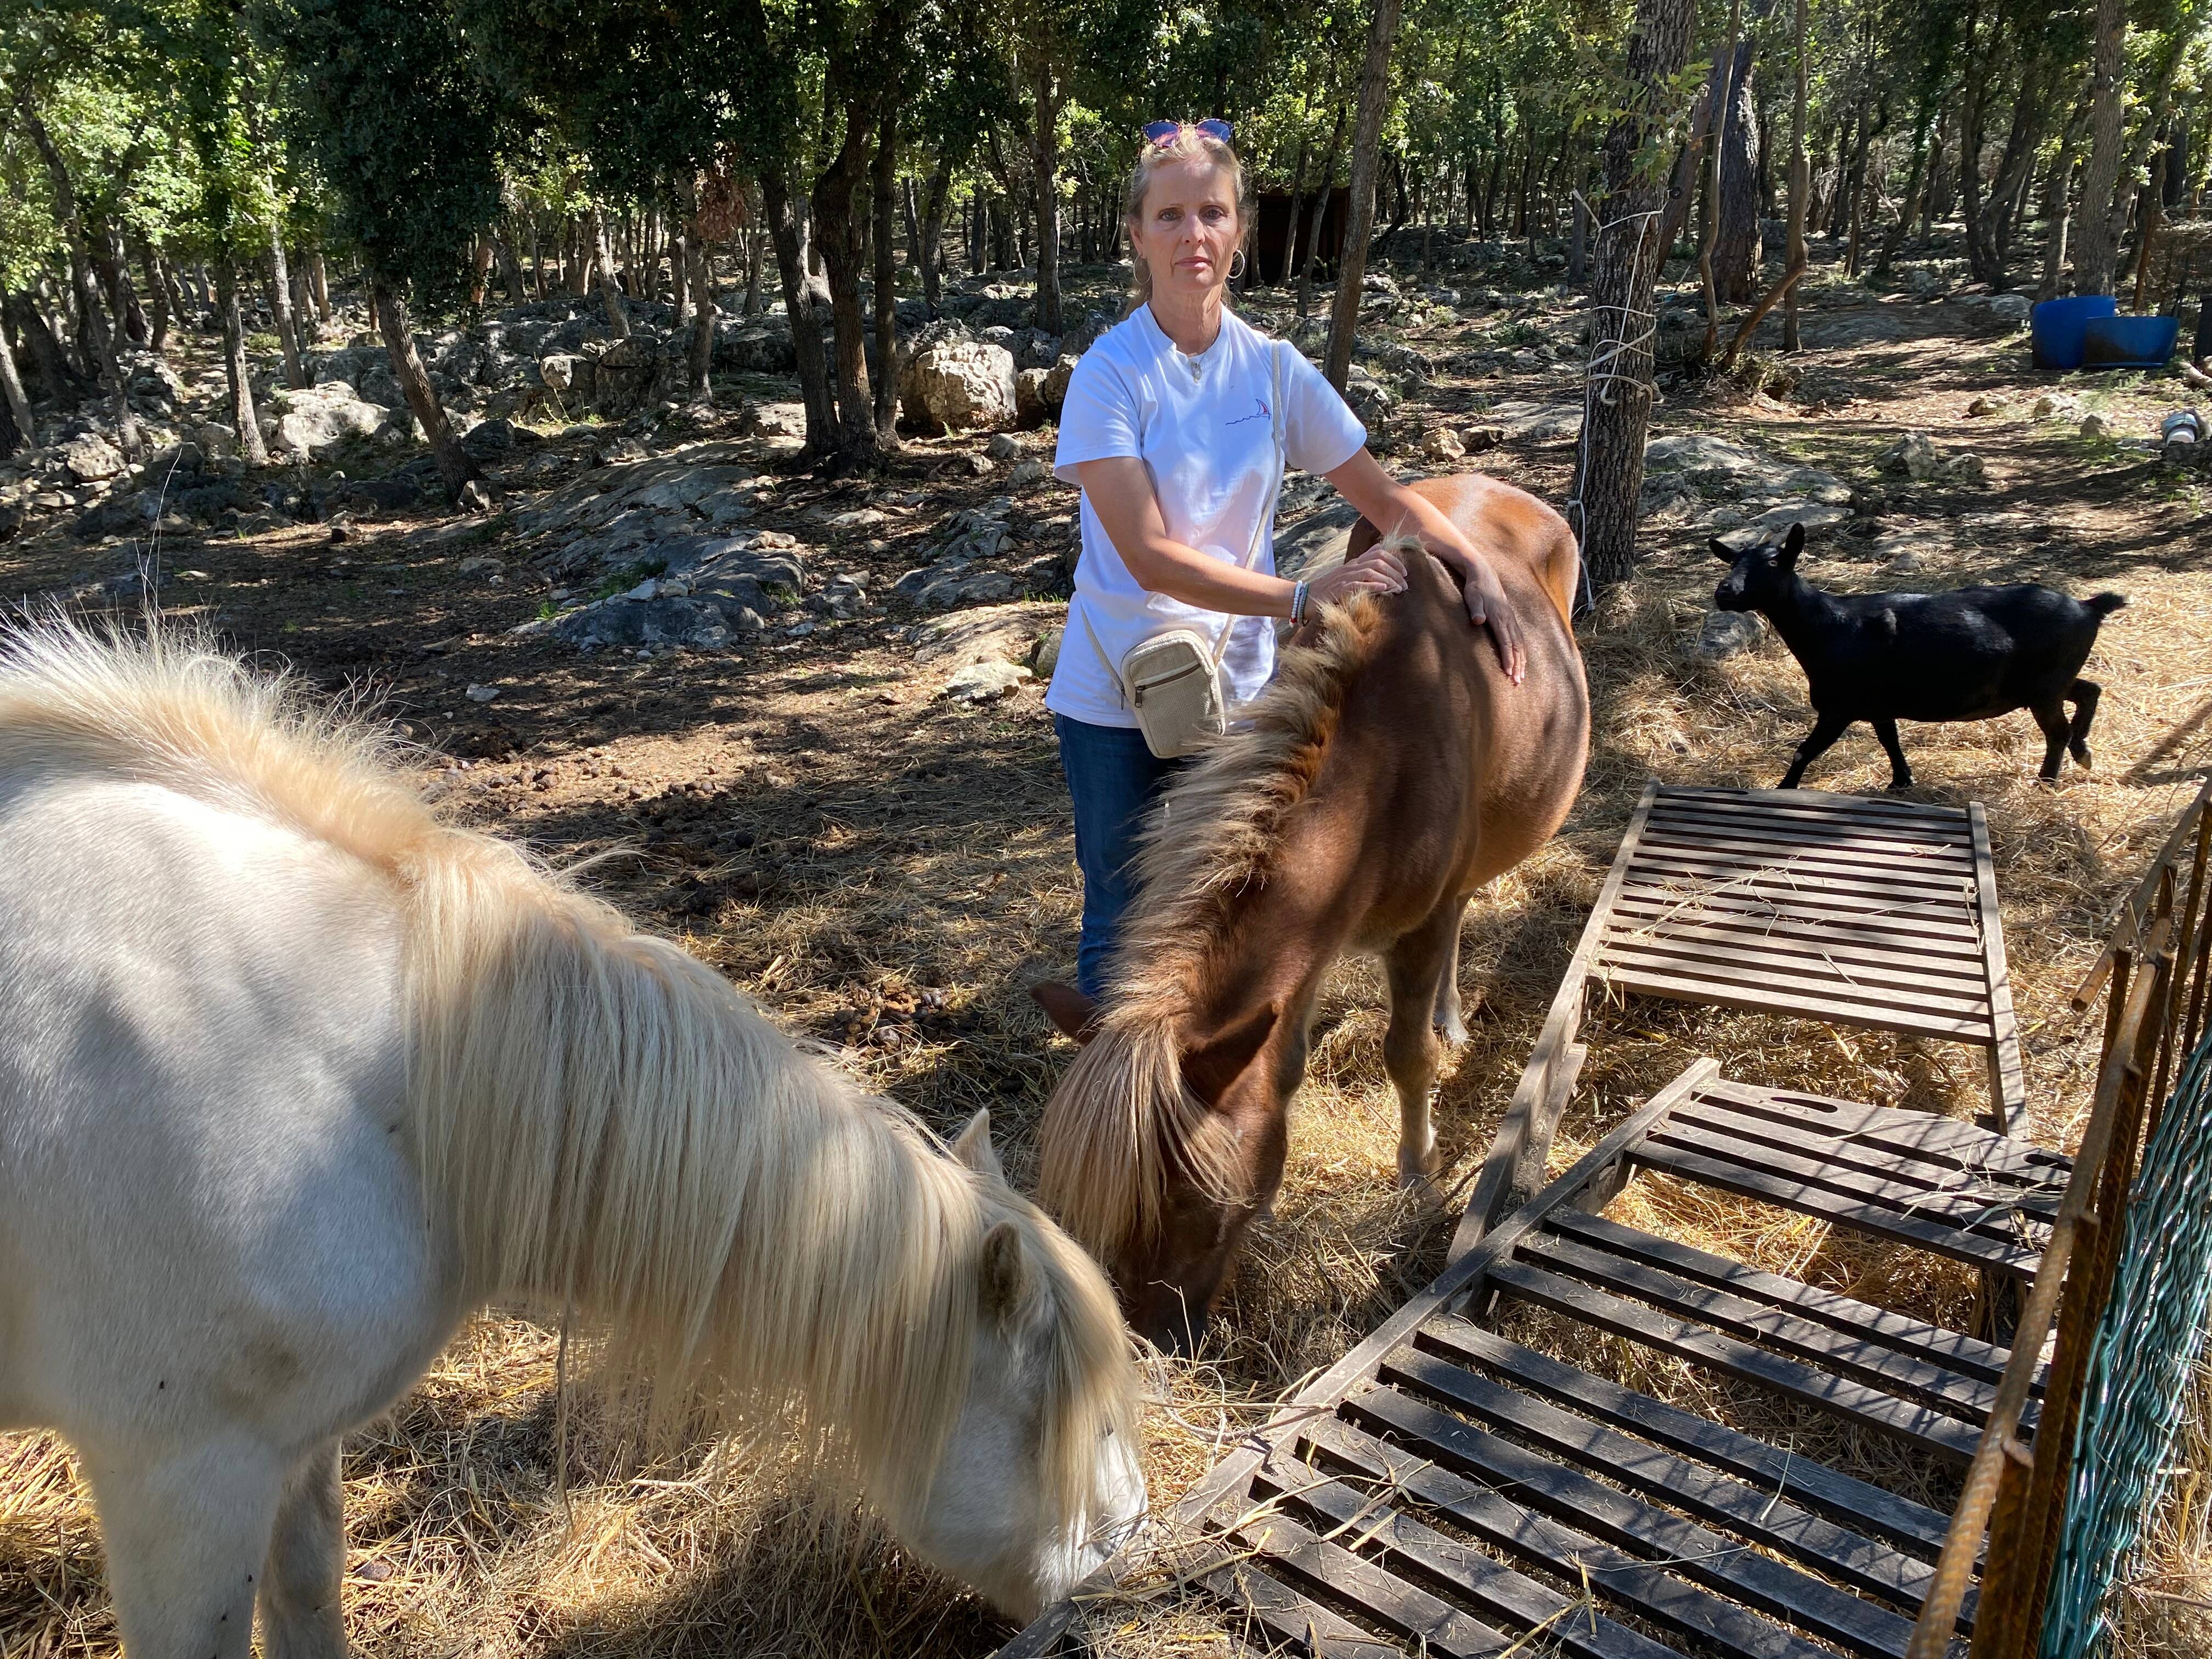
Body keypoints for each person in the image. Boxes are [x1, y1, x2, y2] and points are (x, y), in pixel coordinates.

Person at [1048, 116, 1527, 998]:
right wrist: (1304, 594)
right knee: (1122, 918)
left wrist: (1480, 570)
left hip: (1235, 697)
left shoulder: (1271, 371)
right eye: (1170, 217)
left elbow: (1387, 501)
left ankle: (1200, 1114)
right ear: (1136, 236)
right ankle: (1113, 1125)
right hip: (1116, 696)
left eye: (1212, 213)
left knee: (1223, 917)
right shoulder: (1111, 375)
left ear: (1238, 230)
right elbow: (1152, 558)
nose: (1194, 235)